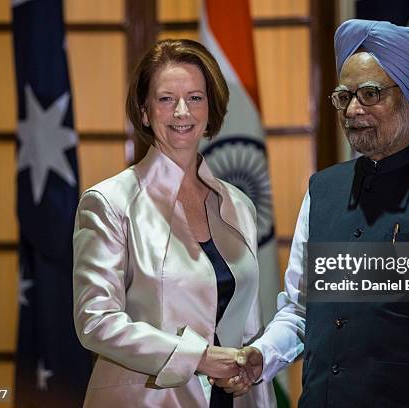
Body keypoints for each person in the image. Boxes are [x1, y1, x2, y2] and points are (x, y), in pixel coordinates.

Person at [215, 19, 409, 407]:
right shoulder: (322, 190)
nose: (354, 109)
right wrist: (261, 357)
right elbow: (301, 311)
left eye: (371, 93)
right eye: (345, 96)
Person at [72, 38, 276, 407]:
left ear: (210, 109)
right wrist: (197, 356)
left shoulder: (239, 204)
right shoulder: (108, 202)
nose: (182, 111)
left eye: (195, 98)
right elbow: (94, 320)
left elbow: (248, 323)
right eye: (166, 99)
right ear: (145, 111)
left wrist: (249, 367)